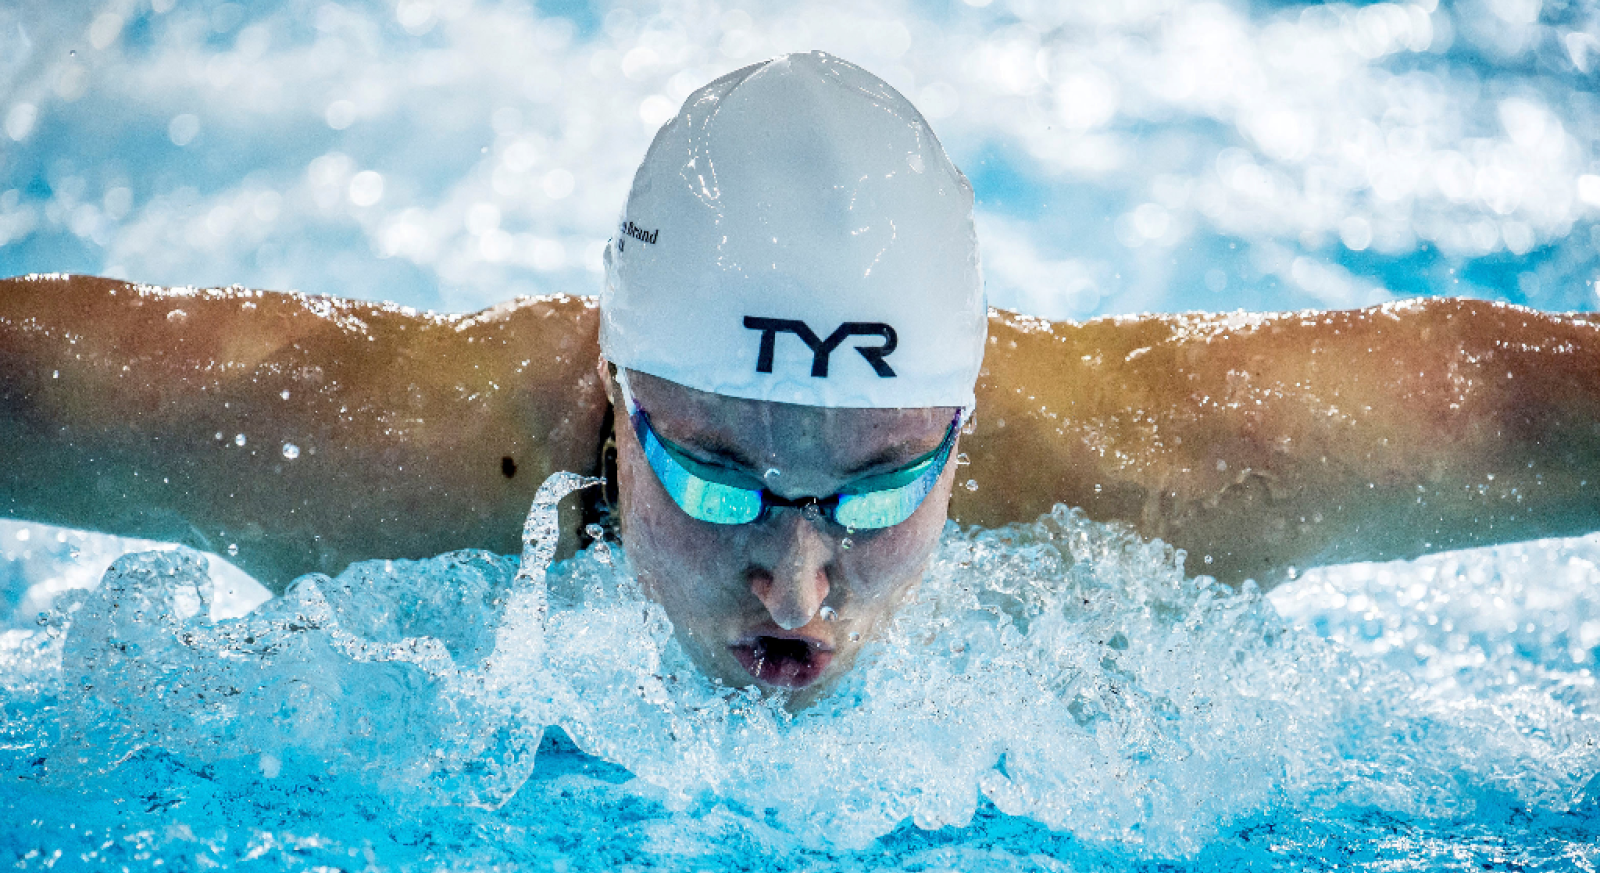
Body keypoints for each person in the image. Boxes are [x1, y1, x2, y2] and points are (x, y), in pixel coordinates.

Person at [4, 53, 1600, 702]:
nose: (798, 582)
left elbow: (1495, 402)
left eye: (885, 490)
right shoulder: (373, 446)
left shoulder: (1148, 467)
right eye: (715, 480)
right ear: (616, 397)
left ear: (964, 427)